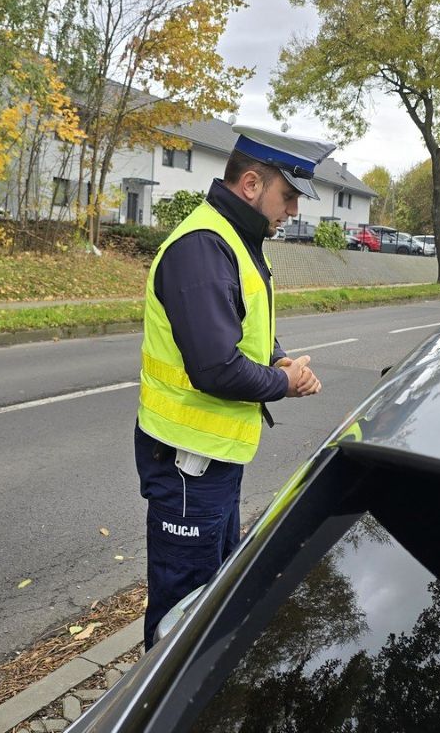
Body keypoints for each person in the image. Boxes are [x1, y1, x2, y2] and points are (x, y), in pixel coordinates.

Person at [135, 123, 336, 647]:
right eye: (287, 196)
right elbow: (216, 368)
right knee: (182, 608)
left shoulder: (233, 240)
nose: (292, 210)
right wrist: (282, 382)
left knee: (210, 594)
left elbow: (242, 325)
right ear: (251, 184)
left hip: (211, 460)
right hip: (187, 463)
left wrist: (280, 358)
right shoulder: (204, 248)